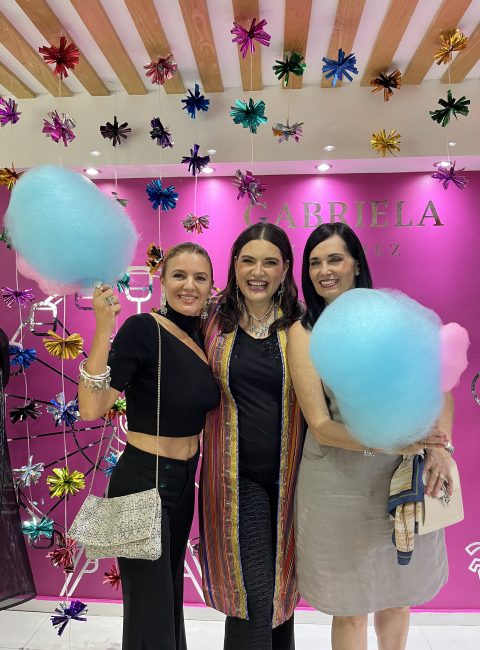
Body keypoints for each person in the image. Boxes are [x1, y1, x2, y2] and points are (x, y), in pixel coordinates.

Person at [287, 222, 454, 650]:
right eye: (314, 263)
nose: (324, 271)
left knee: (398, 598)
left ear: (356, 264)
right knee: (350, 606)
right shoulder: (303, 333)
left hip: (401, 476)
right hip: (337, 482)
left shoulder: (392, 317)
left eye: (334, 259)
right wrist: (391, 441)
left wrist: (440, 449)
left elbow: (440, 388)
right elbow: (321, 425)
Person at [78, 242, 220, 650]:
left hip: (183, 483)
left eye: (200, 277)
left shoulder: (206, 339)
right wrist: (103, 329)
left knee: (168, 599)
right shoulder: (143, 329)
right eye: (179, 275)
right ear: (161, 281)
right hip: (142, 480)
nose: (189, 285)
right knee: (149, 609)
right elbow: (91, 408)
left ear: (211, 286)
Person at [199, 223, 304, 650]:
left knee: (280, 593)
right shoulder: (210, 320)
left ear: (285, 269)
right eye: (248, 261)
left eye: (269, 262)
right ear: (234, 265)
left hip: (295, 479)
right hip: (235, 480)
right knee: (253, 596)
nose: (257, 272)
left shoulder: (301, 324)